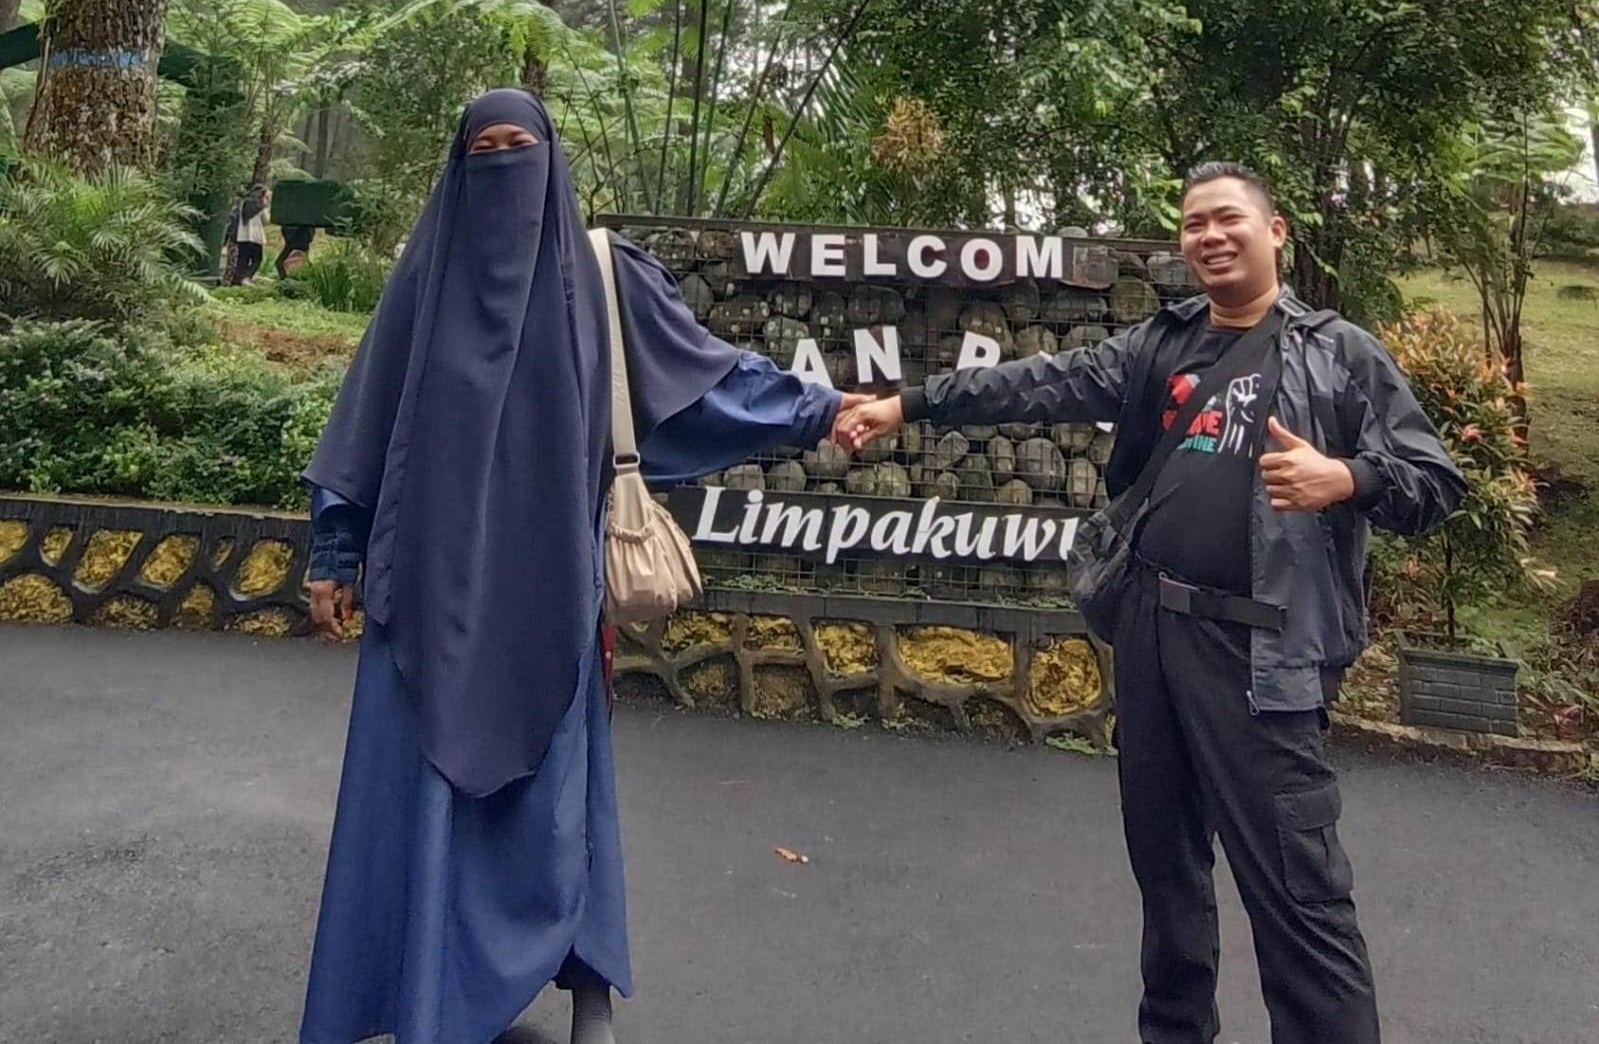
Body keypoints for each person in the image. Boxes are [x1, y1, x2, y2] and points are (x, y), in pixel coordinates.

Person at [838, 163, 1465, 1044]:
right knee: (1165, 874)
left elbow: (1434, 483)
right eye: (1193, 224)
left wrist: (1344, 477)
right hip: (1152, 635)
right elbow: (1038, 383)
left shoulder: (1339, 355)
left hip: (1260, 658)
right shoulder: (1158, 347)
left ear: (1275, 232)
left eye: (1227, 220)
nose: (1209, 236)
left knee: (1297, 891)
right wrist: (906, 404)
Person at [298, 89, 864, 1044]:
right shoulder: (425, 282)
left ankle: (584, 981)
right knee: (423, 789)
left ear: (552, 161)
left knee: (552, 800)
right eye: (486, 151)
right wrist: (333, 550)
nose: (505, 167)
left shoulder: (600, 277)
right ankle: (426, 992)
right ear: (458, 167)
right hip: (423, 591)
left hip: (549, 581)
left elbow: (709, 379)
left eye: (523, 148)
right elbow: (362, 424)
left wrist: (823, 407)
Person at [224, 183, 269, 285]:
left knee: (242, 260)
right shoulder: (260, 205)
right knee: (257, 260)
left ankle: (236, 282)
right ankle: (246, 277)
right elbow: (266, 220)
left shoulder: (243, 203)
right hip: (255, 237)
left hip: (242, 236)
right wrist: (266, 204)